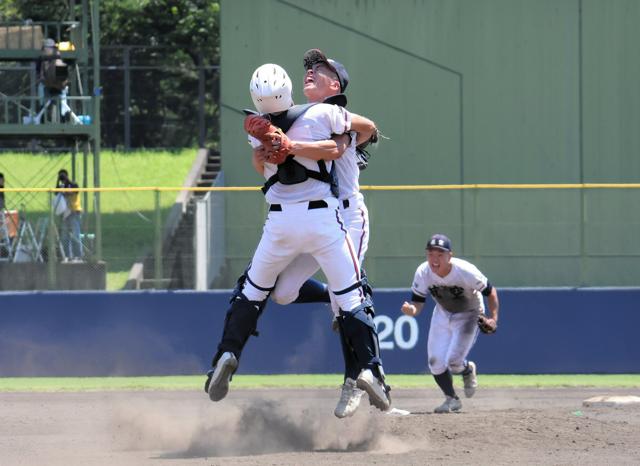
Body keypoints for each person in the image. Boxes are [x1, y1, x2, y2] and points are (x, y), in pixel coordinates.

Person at [205, 62, 391, 413]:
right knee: (315, 294)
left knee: (256, 290)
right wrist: (271, 151)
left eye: (318, 71)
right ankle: (371, 369)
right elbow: (319, 151)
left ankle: (353, 380)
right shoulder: (322, 115)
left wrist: (285, 146)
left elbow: (357, 135)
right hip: (324, 216)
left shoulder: (308, 117)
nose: (310, 72)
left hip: (320, 218)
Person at [261, 49, 380, 418]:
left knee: (345, 304)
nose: (311, 71)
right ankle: (338, 293)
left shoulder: (336, 116)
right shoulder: (297, 118)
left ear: (336, 85)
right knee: (282, 292)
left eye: (322, 69)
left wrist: (357, 137)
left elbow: (370, 127)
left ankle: (361, 377)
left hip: (347, 216)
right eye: (309, 68)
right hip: (314, 222)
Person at [401, 234, 499, 413]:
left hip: (469, 313)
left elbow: (491, 292)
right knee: (435, 362)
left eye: (440, 254)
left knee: (454, 362)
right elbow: (417, 302)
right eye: (430, 254)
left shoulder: (465, 271)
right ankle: (451, 399)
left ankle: (467, 369)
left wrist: (493, 318)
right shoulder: (423, 272)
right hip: (443, 312)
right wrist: (412, 311)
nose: (434, 259)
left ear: (449, 256)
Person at [56, 169, 83, 261]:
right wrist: (58, 181)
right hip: (65, 214)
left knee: (76, 235)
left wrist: (67, 180)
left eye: (63, 176)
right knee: (64, 236)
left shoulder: (73, 184)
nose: (63, 179)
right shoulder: (61, 187)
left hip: (74, 211)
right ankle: (67, 256)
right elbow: (56, 192)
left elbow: (75, 190)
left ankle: (78, 256)